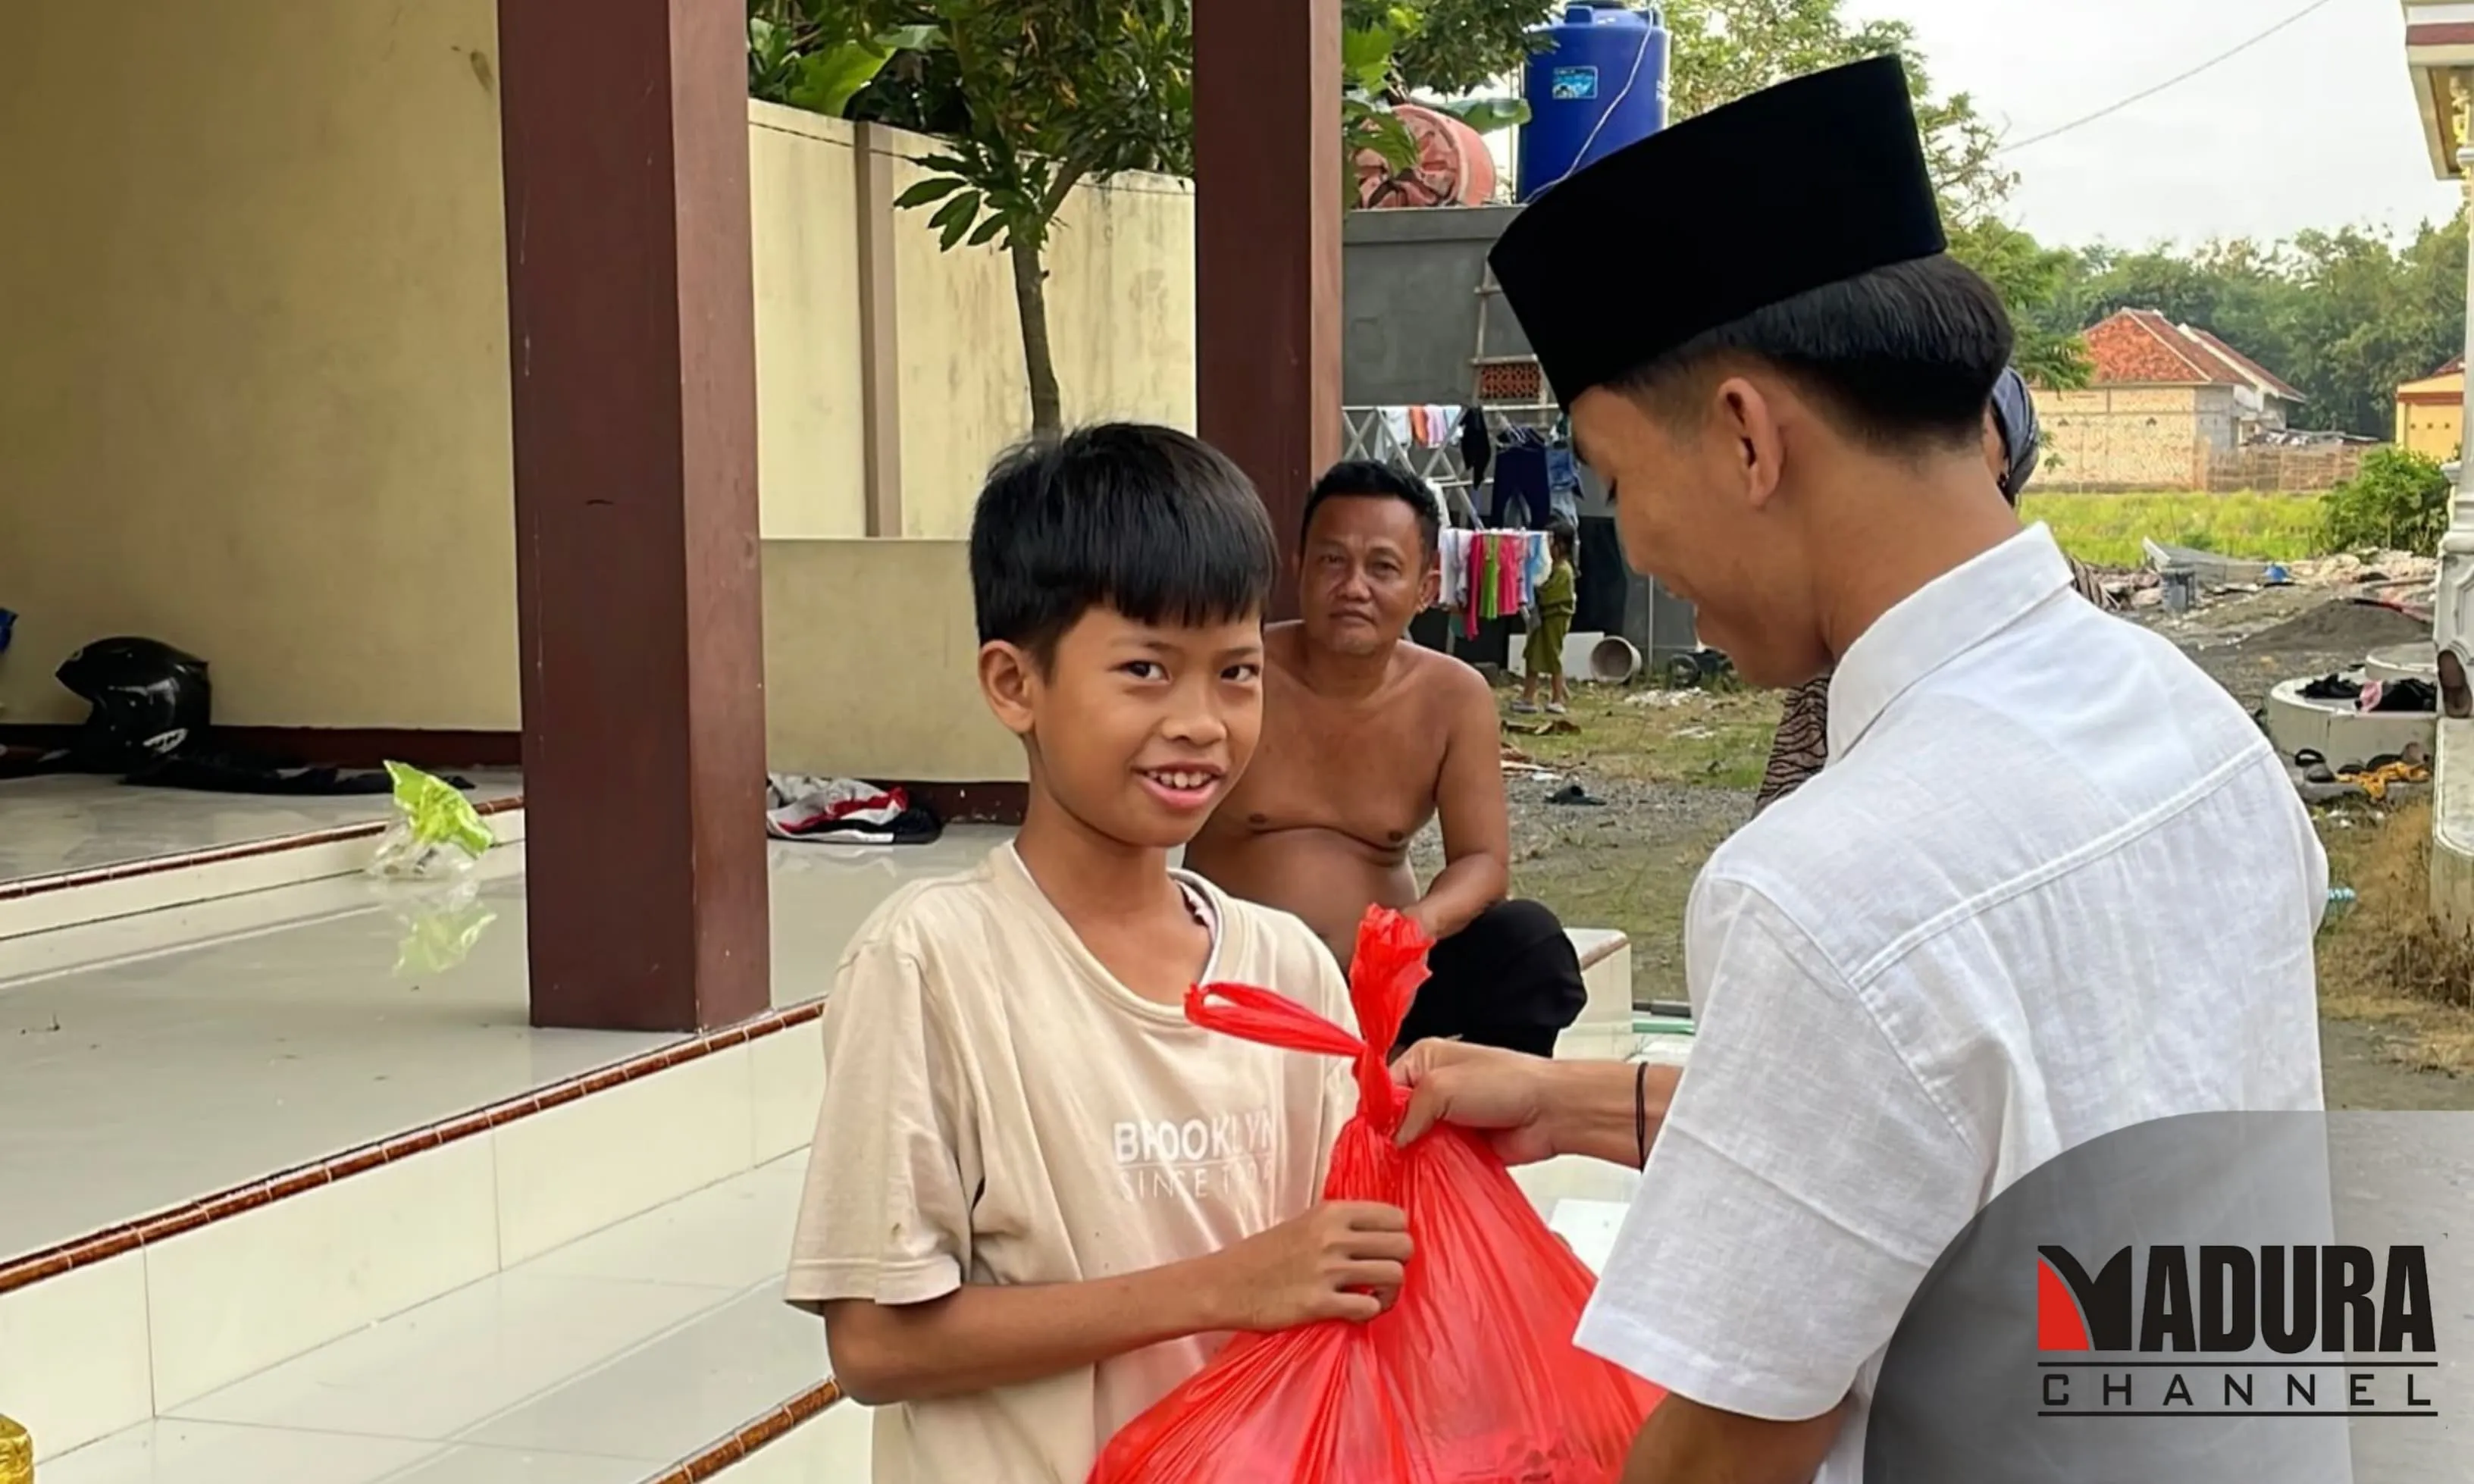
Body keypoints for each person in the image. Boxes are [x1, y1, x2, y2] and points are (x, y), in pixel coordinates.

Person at [1398, 57, 2326, 1484]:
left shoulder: (1827, 881)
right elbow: (1956, 1124)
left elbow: (1725, 1447)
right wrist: (1573, 1101)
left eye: (1614, 481)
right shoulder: (2190, 728)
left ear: (1745, 436)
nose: (1631, 548)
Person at [785, 425, 1413, 1483]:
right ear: (1012, 684)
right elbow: (875, 1343)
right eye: (1144, 669)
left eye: (1237, 672)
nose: (1201, 722)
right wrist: (1222, 1284)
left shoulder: (1289, 971)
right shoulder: (935, 965)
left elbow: (1337, 1283)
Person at [1186, 460, 1587, 1059]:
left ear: (1425, 587)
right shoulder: (1237, 672)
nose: (1354, 587)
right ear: (1298, 569)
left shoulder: (1453, 696)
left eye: (1382, 567)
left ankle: (1461, 1123)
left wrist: (1415, 927)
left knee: (1529, 946)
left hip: (1380, 987)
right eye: (1332, 561)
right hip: (1237, 978)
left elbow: (1482, 861)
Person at [1753, 365, 2113, 814]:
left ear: (2009, 458)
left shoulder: (2065, 585)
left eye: (1965, 430)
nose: (1938, 454)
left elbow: (2111, 740)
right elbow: (1795, 776)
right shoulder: (1856, 589)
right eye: (1917, 429)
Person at [1515, 523, 1580, 715]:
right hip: (1543, 618)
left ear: (1560, 546)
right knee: (1532, 656)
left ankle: (1557, 698)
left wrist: (1533, 588)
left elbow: (1549, 592)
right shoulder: (1552, 568)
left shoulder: (1563, 571)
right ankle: (1528, 697)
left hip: (1555, 618)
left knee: (1553, 657)